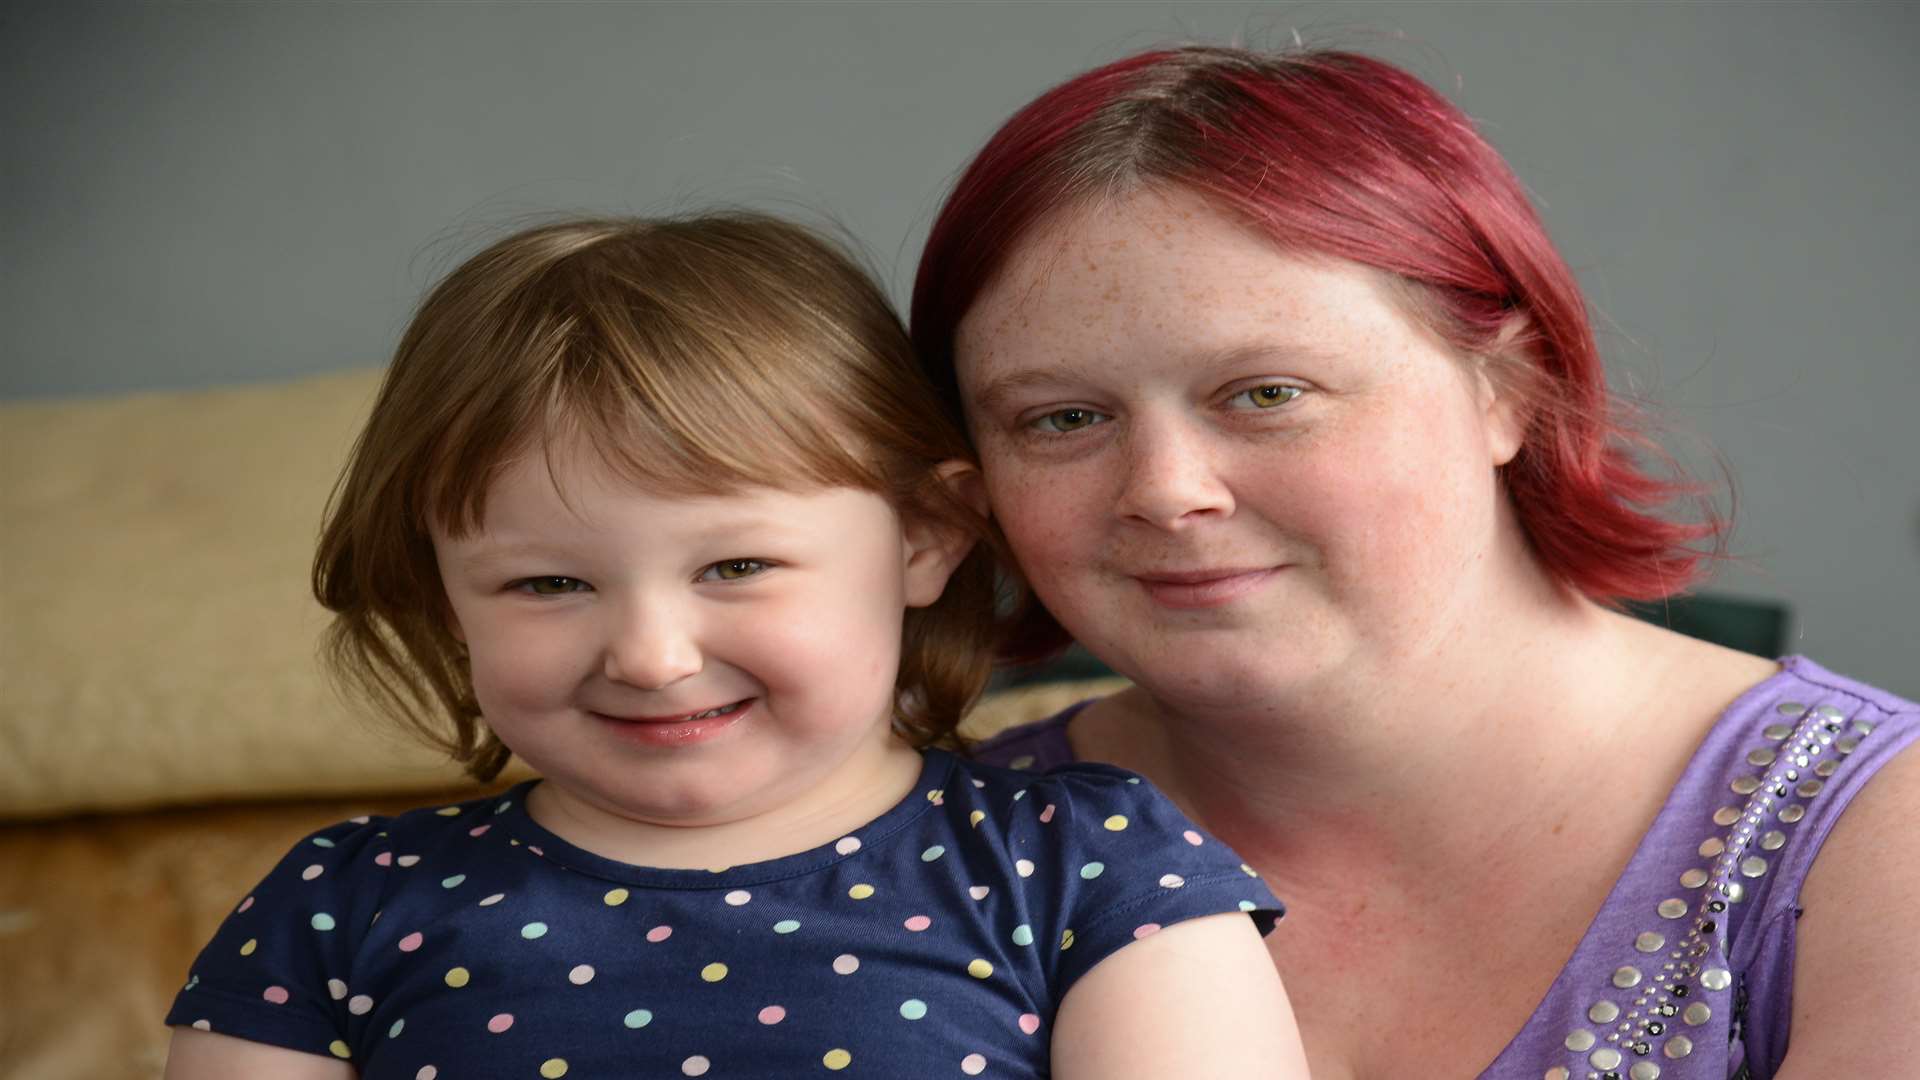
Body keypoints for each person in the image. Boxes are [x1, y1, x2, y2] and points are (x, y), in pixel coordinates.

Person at [912, 46, 1920, 1080]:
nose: (1166, 490)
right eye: (1063, 417)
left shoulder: (1876, 841)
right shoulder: (923, 850)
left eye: (1268, 393)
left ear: (1508, 391)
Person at [160, 213, 1309, 1079]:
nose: (651, 655)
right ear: (443, 597)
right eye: (548, 582)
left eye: (735, 567)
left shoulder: (1088, 868)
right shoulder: (343, 906)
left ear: (926, 535)